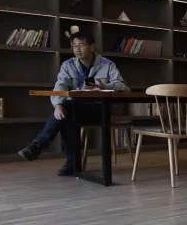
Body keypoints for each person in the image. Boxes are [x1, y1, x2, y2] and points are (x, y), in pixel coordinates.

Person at [18, 31, 129, 176]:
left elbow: (123, 87)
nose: (77, 49)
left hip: (100, 109)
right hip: (75, 109)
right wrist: (58, 105)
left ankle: (44, 148)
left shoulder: (107, 64)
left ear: (92, 47)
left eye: (81, 45)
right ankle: (71, 162)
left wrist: (104, 86)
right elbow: (60, 86)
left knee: (68, 109)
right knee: (67, 115)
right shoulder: (68, 65)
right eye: (74, 45)